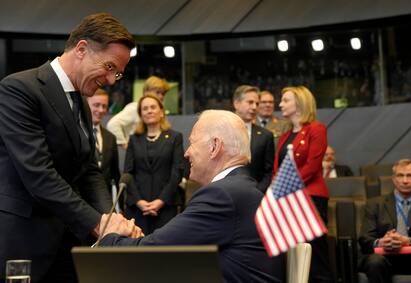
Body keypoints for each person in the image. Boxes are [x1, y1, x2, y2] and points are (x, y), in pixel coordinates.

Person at [0, 13, 135, 282]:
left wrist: (109, 218)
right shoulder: (19, 89)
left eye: (117, 73)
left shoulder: (81, 102)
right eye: (109, 67)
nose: (111, 80)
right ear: (82, 49)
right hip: (25, 242)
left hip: (68, 244)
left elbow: (88, 170)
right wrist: (98, 223)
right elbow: (40, 174)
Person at [99, 110, 283, 283]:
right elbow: (169, 245)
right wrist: (136, 240)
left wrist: (109, 237)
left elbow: (154, 252)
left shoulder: (222, 195)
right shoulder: (239, 189)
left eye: (192, 143)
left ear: (214, 146)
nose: (186, 153)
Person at [274, 86, 333, 283]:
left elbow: (312, 166)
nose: (280, 104)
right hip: (286, 200)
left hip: (310, 199)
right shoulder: (284, 136)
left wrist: (284, 187)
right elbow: (277, 169)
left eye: (285, 100)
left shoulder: (316, 129)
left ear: (299, 103)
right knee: (290, 256)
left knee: (314, 256)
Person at [124, 94, 184, 235]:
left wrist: (160, 201)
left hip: (166, 206)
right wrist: (139, 202)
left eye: (153, 107)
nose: (149, 111)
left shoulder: (175, 137)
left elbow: (177, 172)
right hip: (138, 209)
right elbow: (128, 173)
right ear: (141, 114)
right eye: (145, 108)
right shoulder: (134, 139)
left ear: (161, 111)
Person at [358, 159, 411, 283]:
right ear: (393, 179)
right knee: (375, 262)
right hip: (383, 257)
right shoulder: (374, 204)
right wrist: (381, 242)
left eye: (410, 176)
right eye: (400, 175)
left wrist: (408, 241)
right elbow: (365, 238)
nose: (405, 180)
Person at [107, 75, 170, 149]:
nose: (161, 96)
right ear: (146, 91)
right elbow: (113, 124)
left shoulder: (160, 111)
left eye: (163, 93)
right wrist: (126, 145)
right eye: (158, 92)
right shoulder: (134, 107)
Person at [233, 85, 274, 193]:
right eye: (250, 102)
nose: (255, 107)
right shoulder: (221, 130)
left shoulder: (266, 136)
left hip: (256, 195)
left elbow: (268, 171)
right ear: (236, 103)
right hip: (226, 194)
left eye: (256, 103)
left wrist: (258, 191)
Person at [87, 88, 122, 211]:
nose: (101, 110)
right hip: (80, 203)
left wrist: (120, 208)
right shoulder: (76, 133)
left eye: (104, 106)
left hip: (103, 205)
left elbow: (115, 175)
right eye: (96, 105)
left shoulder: (110, 137)